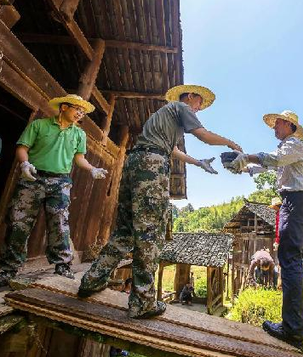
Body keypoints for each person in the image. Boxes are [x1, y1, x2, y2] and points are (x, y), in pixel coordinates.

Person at [78, 84, 242, 319]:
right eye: (200, 103)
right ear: (192, 97)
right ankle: (143, 302)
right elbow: (203, 135)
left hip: (135, 162)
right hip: (151, 166)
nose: (199, 108)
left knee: (125, 231)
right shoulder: (181, 106)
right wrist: (230, 143)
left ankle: (92, 280)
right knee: (149, 233)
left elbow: (173, 150)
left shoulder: (164, 117)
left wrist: (198, 163)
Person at [226, 110, 303, 350]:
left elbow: (273, 159)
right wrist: (242, 166)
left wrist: (246, 156)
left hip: (296, 204)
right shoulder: (286, 150)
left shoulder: (294, 145)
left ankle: (292, 330)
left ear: (290, 125)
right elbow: (268, 166)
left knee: (289, 259)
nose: (274, 128)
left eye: (277, 123)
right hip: (300, 205)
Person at [0, 94, 108, 286]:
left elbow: (79, 158)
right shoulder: (39, 125)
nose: (80, 114)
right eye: (77, 109)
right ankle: (8, 268)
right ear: (64, 107)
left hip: (60, 181)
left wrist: (92, 169)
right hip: (32, 177)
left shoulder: (79, 134)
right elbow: (22, 148)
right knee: (18, 221)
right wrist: (24, 164)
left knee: (59, 223)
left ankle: (62, 266)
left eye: (82, 112)